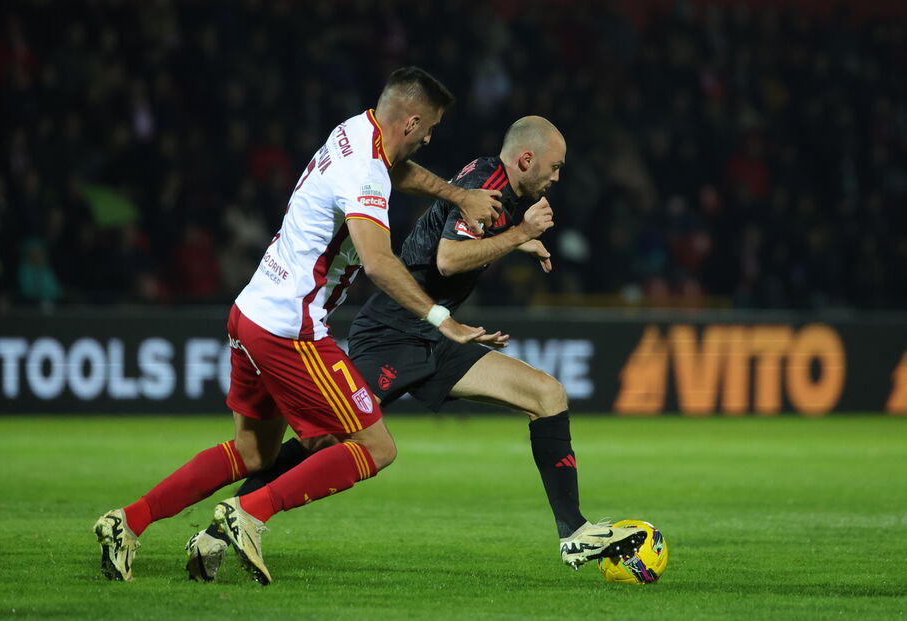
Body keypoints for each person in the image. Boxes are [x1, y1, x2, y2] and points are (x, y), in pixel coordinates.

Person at [185, 116, 646, 583]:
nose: (557, 177)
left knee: (547, 395)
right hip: (394, 331)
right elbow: (448, 259)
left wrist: (512, 242)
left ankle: (573, 532)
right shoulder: (488, 183)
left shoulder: (498, 188)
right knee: (326, 440)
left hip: (438, 337)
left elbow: (462, 239)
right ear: (526, 159)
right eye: (555, 166)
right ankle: (225, 527)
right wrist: (520, 236)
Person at [93, 67, 507, 584]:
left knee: (254, 451)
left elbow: (397, 172)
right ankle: (248, 514)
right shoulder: (366, 171)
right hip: (292, 329)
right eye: (431, 128)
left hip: (250, 312)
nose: (430, 139)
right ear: (412, 122)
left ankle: (127, 523)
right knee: (377, 448)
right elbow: (378, 263)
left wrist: (457, 196)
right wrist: (441, 318)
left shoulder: (355, 131)